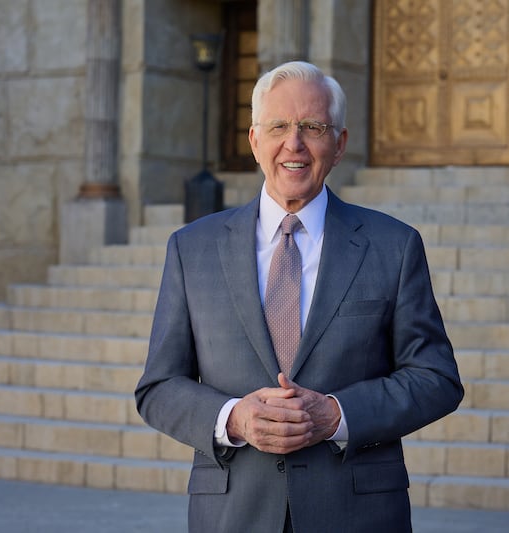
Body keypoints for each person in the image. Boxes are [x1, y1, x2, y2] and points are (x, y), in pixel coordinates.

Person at [135, 60, 463, 533]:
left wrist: (336, 415)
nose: (295, 143)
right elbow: (158, 387)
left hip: (358, 515)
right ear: (254, 140)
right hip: (233, 515)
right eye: (279, 127)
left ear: (339, 144)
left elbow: (437, 378)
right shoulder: (192, 248)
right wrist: (234, 418)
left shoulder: (393, 245)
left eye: (313, 127)